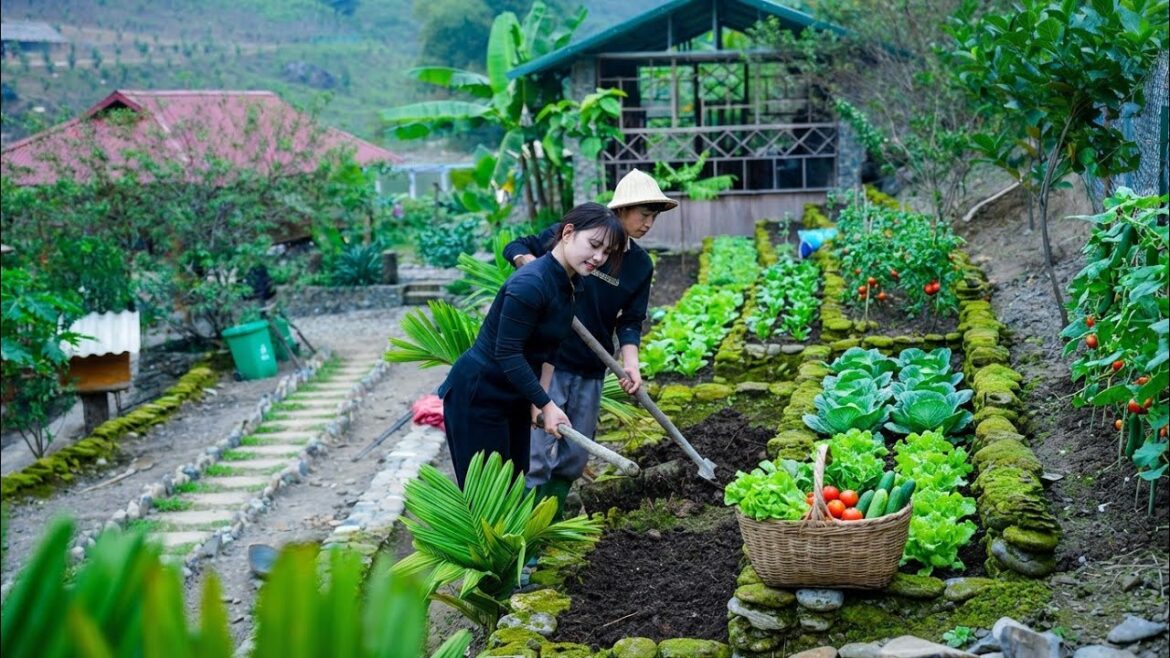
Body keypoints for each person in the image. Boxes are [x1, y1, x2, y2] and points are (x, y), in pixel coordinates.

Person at [503, 169, 677, 516]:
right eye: (644, 214)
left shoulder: (639, 264)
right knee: (535, 453)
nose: (648, 223)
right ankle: (523, 540)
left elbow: (630, 320)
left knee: (574, 457)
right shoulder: (578, 236)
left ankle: (548, 525)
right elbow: (517, 246)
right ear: (623, 210)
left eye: (653, 217)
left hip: (591, 368)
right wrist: (534, 269)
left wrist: (631, 363)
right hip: (547, 363)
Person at [439, 202, 626, 488]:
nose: (598, 257)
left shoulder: (571, 286)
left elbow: (550, 349)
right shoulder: (529, 283)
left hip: (514, 396)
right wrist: (546, 403)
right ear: (567, 233)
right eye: (594, 244)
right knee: (486, 492)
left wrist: (539, 401)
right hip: (478, 395)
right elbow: (508, 353)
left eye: (606, 252)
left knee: (513, 483)